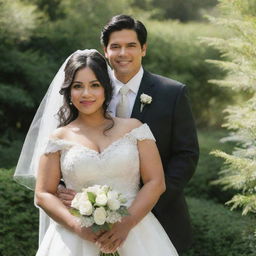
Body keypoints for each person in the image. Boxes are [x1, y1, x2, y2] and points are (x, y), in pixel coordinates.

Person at [58, 15, 199, 255]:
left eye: (131, 45)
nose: (123, 53)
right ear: (105, 50)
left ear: (143, 49)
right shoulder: (88, 92)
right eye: (115, 46)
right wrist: (72, 192)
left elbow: (186, 155)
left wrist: (142, 206)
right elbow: (69, 144)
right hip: (87, 221)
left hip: (158, 217)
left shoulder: (172, 93)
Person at [15, 49, 179, 255]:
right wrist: (77, 226)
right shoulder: (59, 138)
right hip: (75, 238)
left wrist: (125, 224)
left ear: (106, 88)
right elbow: (43, 194)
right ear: (68, 91)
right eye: (77, 86)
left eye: (94, 85)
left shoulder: (134, 129)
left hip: (137, 231)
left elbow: (156, 182)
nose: (86, 94)